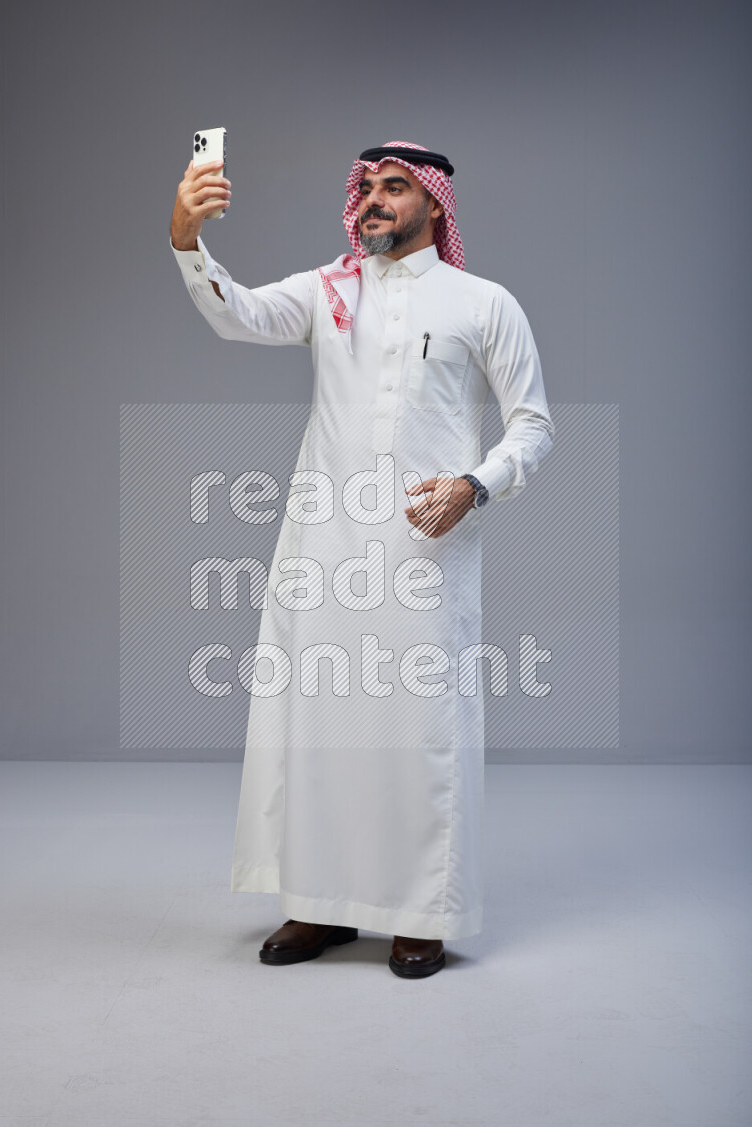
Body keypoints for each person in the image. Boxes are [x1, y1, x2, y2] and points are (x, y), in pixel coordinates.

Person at [169, 140, 554, 978]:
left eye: (395, 187)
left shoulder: (484, 303)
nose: (374, 199)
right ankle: (318, 903)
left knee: (419, 729)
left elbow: (533, 425)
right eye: (367, 186)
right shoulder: (329, 290)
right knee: (319, 724)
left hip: (425, 547)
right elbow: (239, 313)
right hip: (324, 546)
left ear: (435, 203)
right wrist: (188, 244)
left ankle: (421, 912)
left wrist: (474, 485)